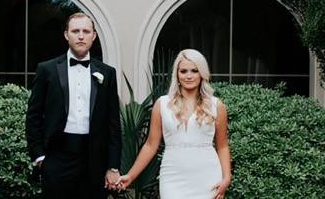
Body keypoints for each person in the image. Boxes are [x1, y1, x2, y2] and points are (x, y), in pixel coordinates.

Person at [25, 12, 121, 199]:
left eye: (86, 31)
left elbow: (113, 123)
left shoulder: (107, 73)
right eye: (75, 31)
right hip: (56, 157)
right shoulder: (47, 69)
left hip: (94, 159)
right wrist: (39, 157)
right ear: (66, 35)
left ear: (93, 36)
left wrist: (113, 166)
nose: (80, 35)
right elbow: (33, 115)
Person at [116, 49, 231, 199]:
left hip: (207, 175)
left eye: (194, 71)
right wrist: (130, 176)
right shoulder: (162, 104)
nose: (189, 76)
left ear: (202, 73)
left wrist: (226, 178)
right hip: (172, 176)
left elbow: (222, 146)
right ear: (177, 74)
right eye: (183, 71)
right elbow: (151, 145)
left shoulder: (216, 105)